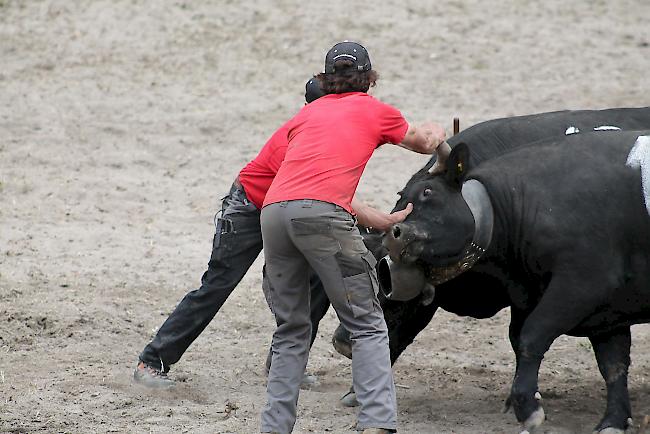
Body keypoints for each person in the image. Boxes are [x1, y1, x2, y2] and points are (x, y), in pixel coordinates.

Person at [134, 78, 410, 389]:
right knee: (217, 285)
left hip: (284, 214)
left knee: (318, 280)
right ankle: (152, 361)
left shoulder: (321, 131)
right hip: (248, 209)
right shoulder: (299, 137)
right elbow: (340, 201)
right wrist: (382, 220)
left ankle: (283, 361)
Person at [260, 41, 446, 434]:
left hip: (275, 215)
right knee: (366, 324)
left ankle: (274, 428)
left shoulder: (304, 117)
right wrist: (436, 132)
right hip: (322, 218)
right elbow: (422, 143)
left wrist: (380, 220)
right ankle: (378, 422)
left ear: (326, 80)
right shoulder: (374, 110)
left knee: (291, 330)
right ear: (368, 79)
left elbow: (301, 186)